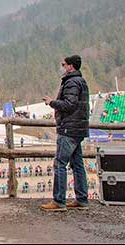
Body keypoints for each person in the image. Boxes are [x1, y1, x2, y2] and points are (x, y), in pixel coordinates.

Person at [41, 54, 90, 212]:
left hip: (69, 128)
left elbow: (69, 104)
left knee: (60, 163)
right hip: (78, 128)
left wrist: (52, 103)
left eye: (64, 64)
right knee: (77, 164)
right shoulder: (80, 81)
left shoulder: (71, 82)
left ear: (71, 66)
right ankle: (82, 198)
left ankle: (59, 200)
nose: (62, 67)